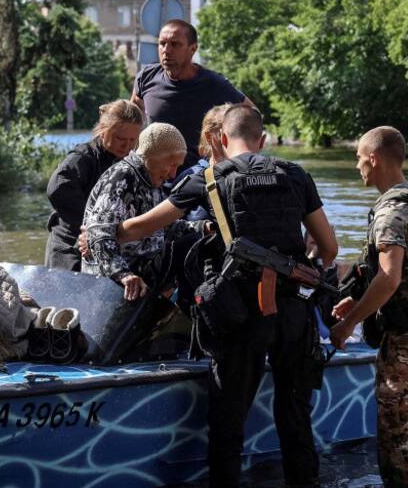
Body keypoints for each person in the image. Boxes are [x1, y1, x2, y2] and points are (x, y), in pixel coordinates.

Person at [117, 104, 338, 487]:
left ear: (219, 139)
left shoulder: (207, 179)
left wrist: (103, 232)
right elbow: (329, 247)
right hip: (292, 314)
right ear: (263, 140)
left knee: (228, 423)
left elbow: (140, 228)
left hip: (237, 314)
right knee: (296, 419)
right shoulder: (296, 175)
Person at [330, 126, 408, 488]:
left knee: (399, 444)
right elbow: (406, 277)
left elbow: (389, 278)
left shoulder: (391, 212)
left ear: (374, 158)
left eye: (358, 157)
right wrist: (362, 298)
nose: (357, 165)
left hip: (407, 343)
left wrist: (349, 322)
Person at [81, 122, 197, 301]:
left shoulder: (152, 180)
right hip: (111, 281)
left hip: (142, 272)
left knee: (195, 244)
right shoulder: (123, 177)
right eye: (171, 164)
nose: (173, 175)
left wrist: (202, 227)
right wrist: (123, 274)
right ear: (151, 156)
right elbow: (98, 233)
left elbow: (164, 227)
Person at [131, 19, 252, 171]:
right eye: (162, 44)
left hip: (196, 178)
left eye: (175, 44)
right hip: (154, 176)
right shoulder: (147, 77)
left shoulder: (214, 84)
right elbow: (131, 118)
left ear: (193, 49)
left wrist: (230, 154)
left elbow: (251, 114)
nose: (166, 51)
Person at [44, 100, 143, 271]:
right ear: (103, 130)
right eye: (120, 138)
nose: (126, 146)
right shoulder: (83, 157)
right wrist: (93, 225)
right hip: (69, 247)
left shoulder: (131, 162)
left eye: (132, 140)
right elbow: (58, 189)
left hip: (105, 246)